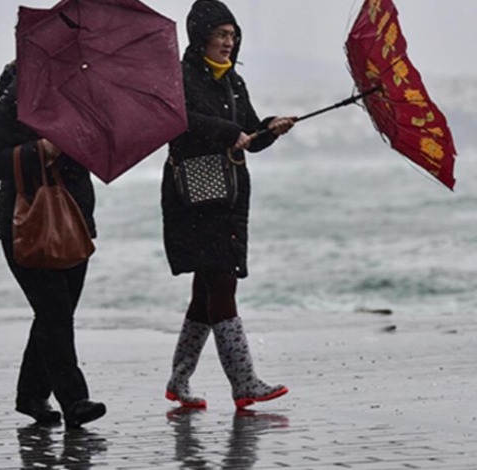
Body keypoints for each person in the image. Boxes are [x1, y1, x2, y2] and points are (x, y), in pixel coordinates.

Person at [162, 0, 296, 410]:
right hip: (193, 198)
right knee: (221, 282)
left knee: (206, 290)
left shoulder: (234, 82)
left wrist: (270, 128)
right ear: (202, 36)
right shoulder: (180, 77)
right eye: (221, 35)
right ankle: (244, 382)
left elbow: (249, 134)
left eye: (233, 35)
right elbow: (179, 121)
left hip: (230, 195)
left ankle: (178, 382)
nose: (228, 42)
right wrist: (227, 132)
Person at [0, 61, 106, 428]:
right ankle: (75, 401)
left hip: (75, 221)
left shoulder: (82, 101)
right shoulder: (15, 100)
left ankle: (31, 395)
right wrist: (42, 149)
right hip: (26, 224)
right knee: (54, 312)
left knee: (56, 313)